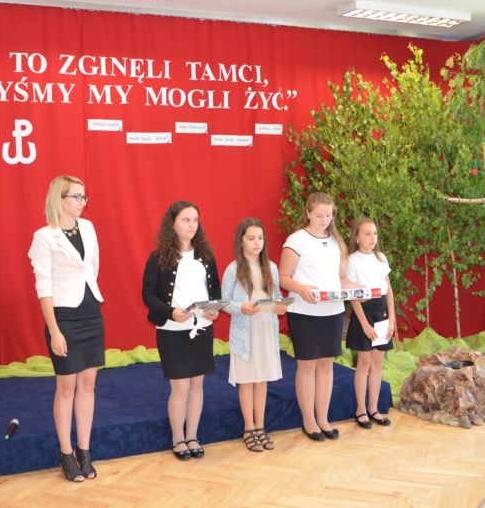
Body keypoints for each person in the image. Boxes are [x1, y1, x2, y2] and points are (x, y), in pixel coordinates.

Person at [28, 175, 104, 482]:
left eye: (85, 196)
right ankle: (66, 453)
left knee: (88, 384)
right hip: (63, 318)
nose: (83, 202)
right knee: (66, 386)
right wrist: (55, 330)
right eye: (77, 196)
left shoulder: (88, 227)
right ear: (60, 200)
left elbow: (92, 268)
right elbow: (43, 288)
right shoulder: (44, 237)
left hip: (91, 313)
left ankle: (84, 451)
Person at [142, 200, 221, 460]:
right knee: (180, 387)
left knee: (197, 385)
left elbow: (215, 288)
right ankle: (178, 438)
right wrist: (171, 312)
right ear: (172, 224)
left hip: (201, 328)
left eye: (195, 220)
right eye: (186, 220)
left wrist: (214, 308)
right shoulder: (158, 258)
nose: (192, 225)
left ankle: (193, 436)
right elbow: (148, 295)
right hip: (172, 330)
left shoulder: (206, 256)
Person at [278, 191, 360, 441]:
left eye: (328, 215)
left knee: (326, 366)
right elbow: (283, 277)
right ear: (308, 213)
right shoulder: (296, 240)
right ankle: (309, 421)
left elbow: (341, 278)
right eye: (319, 215)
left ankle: (323, 418)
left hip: (333, 312)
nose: (324, 220)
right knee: (307, 367)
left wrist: (359, 290)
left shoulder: (336, 241)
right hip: (304, 313)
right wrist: (302, 289)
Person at [221, 218, 287, 452]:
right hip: (245, 332)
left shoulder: (271, 267)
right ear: (241, 242)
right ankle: (248, 427)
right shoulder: (233, 269)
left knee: (262, 379)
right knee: (247, 379)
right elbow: (225, 302)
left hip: (266, 329)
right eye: (251, 238)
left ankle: (260, 426)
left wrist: (280, 307)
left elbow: (277, 296)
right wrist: (241, 307)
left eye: (260, 238)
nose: (257, 242)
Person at [344, 217, 396, 428]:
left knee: (377, 363)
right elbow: (353, 297)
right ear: (357, 238)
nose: (372, 238)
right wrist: (364, 324)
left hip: (381, 315)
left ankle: (374, 408)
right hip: (364, 315)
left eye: (374, 233)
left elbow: (389, 291)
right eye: (367, 234)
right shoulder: (352, 260)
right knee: (364, 363)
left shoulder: (381, 258)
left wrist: (391, 320)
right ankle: (361, 410)